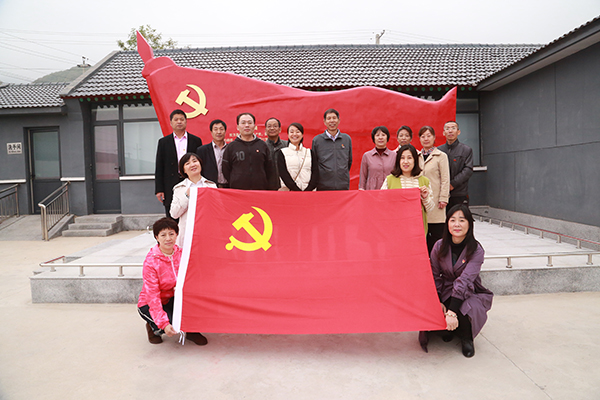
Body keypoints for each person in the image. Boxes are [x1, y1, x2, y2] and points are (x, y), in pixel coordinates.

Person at [419, 204, 493, 357]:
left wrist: (452, 312)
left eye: (462, 220)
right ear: (447, 224)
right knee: (434, 309)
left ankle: (466, 337)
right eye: (452, 220)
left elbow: (465, 280)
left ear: (469, 224)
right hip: (445, 287)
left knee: (467, 309)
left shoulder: (476, 249)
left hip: (468, 290)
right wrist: (438, 300)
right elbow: (434, 274)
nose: (457, 224)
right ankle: (447, 330)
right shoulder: (439, 246)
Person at [137, 217, 208, 346]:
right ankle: (153, 328)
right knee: (169, 324)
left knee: (198, 302)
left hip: (174, 298)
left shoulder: (183, 255)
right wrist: (163, 323)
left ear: (176, 235)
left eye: (171, 234)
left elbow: (194, 277)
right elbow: (152, 295)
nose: (168, 238)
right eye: (163, 235)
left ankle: (191, 331)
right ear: (157, 237)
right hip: (151, 302)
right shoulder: (151, 262)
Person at [155, 109, 203, 219]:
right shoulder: (163, 142)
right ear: (171, 123)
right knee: (173, 215)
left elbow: (200, 163)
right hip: (170, 184)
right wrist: (159, 189)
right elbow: (159, 166)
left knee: (193, 213)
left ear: (186, 121)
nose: (179, 122)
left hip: (191, 182)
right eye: (176, 119)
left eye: (182, 119)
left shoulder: (195, 140)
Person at [381, 144, 434, 235]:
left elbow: (430, 209)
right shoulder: (389, 180)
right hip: (395, 229)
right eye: (402, 158)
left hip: (417, 230)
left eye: (409, 158)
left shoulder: (424, 181)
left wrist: (425, 198)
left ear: (415, 160)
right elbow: (381, 205)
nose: (405, 161)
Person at [170, 153, 217, 247]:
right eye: (187, 163)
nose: (192, 165)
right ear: (184, 170)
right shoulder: (179, 188)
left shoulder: (211, 186)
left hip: (208, 232)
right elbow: (174, 214)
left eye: (195, 161)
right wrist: (186, 196)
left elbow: (218, 210)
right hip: (187, 234)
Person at [418, 126, 450, 253]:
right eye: (423, 136)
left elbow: (445, 179)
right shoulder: (416, 156)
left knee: (436, 233)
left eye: (428, 136)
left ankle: (437, 259)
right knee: (422, 233)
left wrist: (444, 198)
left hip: (436, 201)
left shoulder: (441, 156)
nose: (426, 139)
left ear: (434, 137)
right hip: (420, 201)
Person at [222, 113, 274, 190]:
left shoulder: (262, 145)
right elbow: (226, 169)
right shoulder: (231, 147)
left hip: (260, 189)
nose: (247, 125)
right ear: (237, 127)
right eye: (243, 123)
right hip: (237, 190)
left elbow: (269, 168)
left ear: (254, 126)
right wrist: (235, 180)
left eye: (250, 123)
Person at [312, 108, 353, 190]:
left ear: (339, 120)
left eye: (334, 118)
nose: (332, 121)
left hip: (343, 184)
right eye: (329, 118)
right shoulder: (317, 140)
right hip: (323, 185)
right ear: (324, 122)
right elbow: (314, 163)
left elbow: (349, 161)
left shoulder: (346, 139)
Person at [438, 121, 473, 210]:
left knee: (459, 216)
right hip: (441, 193)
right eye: (447, 129)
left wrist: (453, 184)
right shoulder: (439, 150)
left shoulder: (466, 150)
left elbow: (468, 170)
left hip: (459, 192)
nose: (450, 131)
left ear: (458, 132)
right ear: (444, 133)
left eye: (453, 128)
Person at [276, 123, 318, 191]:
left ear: (302, 134)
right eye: (291, 132)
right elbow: (283, 174)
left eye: (298, 131)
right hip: (289, 192)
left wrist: (308, 190)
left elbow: (315, 173)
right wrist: (296, 190)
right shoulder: (282, 153)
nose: (294, 134)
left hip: (309, 192)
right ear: (288, 135)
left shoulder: (309, 152)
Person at [359, 126, 395, 190]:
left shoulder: (394, 155)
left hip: (389, 190)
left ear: (387, 137)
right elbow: (363, 176)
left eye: (383, 135)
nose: (380, 137)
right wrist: (361, 189)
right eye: (377, 135)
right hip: (371, 191)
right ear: (374, 138)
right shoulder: (367, 156)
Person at [196, 119, 228, 188]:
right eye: (215, 129)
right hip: (210, 187)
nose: (219, 132)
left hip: (229, 186)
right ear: (211, 132)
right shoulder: (202, 150)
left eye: (221, 129)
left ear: (225, 131)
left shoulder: (231, 148)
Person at [264, 117, 288, 190]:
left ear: (280, 129)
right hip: (267, 187)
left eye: (275, 126)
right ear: (265, 130)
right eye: (269, 126)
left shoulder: (287, 145)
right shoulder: (262, 146)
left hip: (285, 187)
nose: (272, 128)